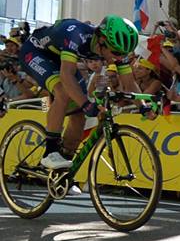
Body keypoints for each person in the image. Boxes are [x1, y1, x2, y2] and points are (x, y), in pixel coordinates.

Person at [18, 16, 140, 169]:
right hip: (36, 52)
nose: (119, 57)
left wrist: (144, 106)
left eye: (123, 53)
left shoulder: (114, 50)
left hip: (63, 59)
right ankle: (50, 152)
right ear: (102, 40)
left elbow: (129, 82)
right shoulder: (77, 34)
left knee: (79, 115)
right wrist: (86, 104)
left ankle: (64, 171)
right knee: (63, 91)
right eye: (116, 52)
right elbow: (66, 75)